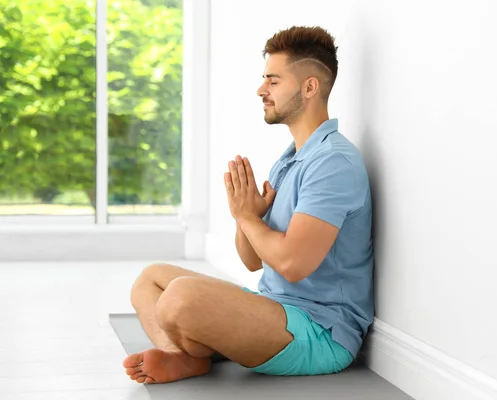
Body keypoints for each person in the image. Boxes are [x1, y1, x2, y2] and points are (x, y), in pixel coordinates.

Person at [123, 25, 374, 384]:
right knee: (150, 280)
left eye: (273, 81)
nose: (261, 90)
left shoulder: (333, 163)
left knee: (180, 297)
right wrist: (245, 217)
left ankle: (194, 348)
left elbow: (291, 263)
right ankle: (184, 357)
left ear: (309, 87)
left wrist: (246, 216)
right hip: (273, 309)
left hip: (319, 332)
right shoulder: (291, 160)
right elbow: (252, 260)